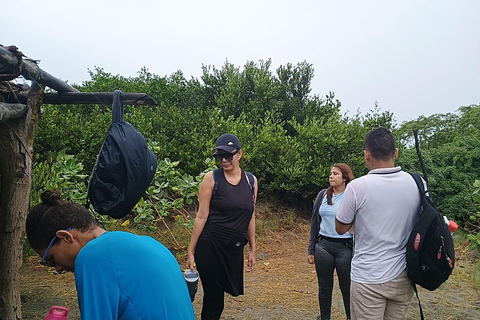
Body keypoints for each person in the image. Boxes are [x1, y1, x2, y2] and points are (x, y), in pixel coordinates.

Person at [26, 190, 195, 320]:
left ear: (66, 237)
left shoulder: (92, 256)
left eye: (51, 259)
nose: (58, 268)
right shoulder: (148, 243)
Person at [335, 127, 421, 320]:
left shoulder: (357, 187)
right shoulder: (417, 182)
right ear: (396, 152)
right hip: (405, 274)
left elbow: (340, 228)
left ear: (367, 155)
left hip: (368, 276)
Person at [187, 133, 257, 320]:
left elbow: (251, 216)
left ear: (239, 154)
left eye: (228, 155)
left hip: (233, 248)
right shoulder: (212, 178)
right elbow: (202, 215)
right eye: (219, 156)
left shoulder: (251, 181)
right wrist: (191, 250)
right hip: (210, 244)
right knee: (214, 296)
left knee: (222, 294)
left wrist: (253, 249)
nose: (223, 160)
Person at [308, 163, 354, 320]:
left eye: (335, 174)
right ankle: (324, 317)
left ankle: (351, 317)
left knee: (347, 287)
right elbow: (315, 222)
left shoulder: (351, 195)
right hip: (323, 246)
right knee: (324, 287)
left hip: (345, 247)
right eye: (330, 173)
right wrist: (311, 249)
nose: (331, 176)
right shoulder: (322, 194)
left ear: (345, 178)